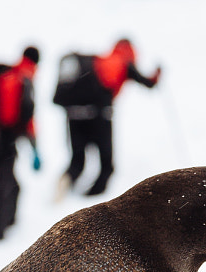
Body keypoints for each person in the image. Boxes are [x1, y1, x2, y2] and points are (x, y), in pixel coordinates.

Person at [55, 39, 161, 197]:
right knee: (106, 166)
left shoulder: (96, 61)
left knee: (77, 161)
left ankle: (61, 192)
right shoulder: (124, 62)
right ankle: (91, 199)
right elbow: (148, 83)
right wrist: (157, 76)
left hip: (75, 115)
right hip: (100, 118)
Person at [0, 46, 41, 241]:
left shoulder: (8, 74)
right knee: (5, 185)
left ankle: (5, 225)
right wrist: (35, 148)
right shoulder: (24, 77)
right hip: (5, 140)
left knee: (9, 185)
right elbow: (27, 116)